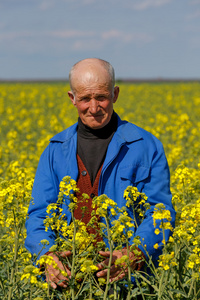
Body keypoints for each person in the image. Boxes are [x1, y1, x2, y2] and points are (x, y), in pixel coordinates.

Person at [25, 58, 176, 290]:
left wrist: (133, 253)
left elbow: (160, 212)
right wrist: (46, 256)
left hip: (126, 284)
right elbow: (38, 215)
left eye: (101, 97)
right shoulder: (55, 150)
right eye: (85, 98)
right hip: (69, 282)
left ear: (115, 94)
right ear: (72, 98)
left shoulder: (146, 146)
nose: (93, 108)